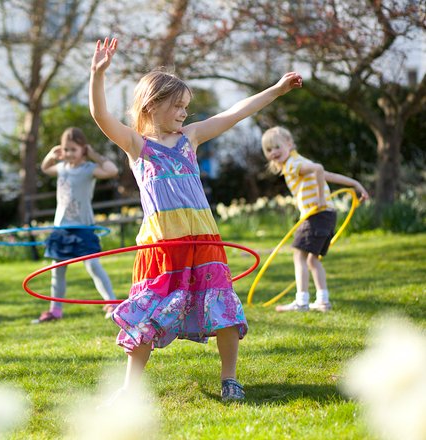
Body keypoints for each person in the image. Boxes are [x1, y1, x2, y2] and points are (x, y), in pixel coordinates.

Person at [89, 37, 302, 401]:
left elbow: (235, 113)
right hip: (162, 247)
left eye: (187, 107)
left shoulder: (191, 138)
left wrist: (277, 90)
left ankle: (230, 379)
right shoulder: (138, 146)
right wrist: (98, 76)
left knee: (223, 306)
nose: (185, 113)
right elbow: (101, 116)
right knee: (147, 314)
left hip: (204, 241)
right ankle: (130, 387)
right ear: (152, 105)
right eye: (178, 106)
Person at [261, 126, 369, 313]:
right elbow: (327, 174)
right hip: (327, 214)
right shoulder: (298, 163)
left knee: (298, 255)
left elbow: (319, 169)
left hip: (317, 214)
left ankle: (301, 302)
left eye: (277, 147)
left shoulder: (294, 164)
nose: (273, 152)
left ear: (289, 144)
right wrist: (355, 183)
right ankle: (322, 301)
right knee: (312, 259)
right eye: (269, 150)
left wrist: (319, 198)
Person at [34, 127, 119, 323]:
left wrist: (94, 155)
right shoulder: (62, 167)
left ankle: (112, 304)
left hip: (83, 228)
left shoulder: (89, 169)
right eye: (66, 149)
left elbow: (112, 170)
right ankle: (55, 310)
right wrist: (51, 155)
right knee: (57, 271)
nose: (69, 153)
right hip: (61, 227)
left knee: (93, 266)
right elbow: (45, 168)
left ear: (83, 149)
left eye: (73, 149)